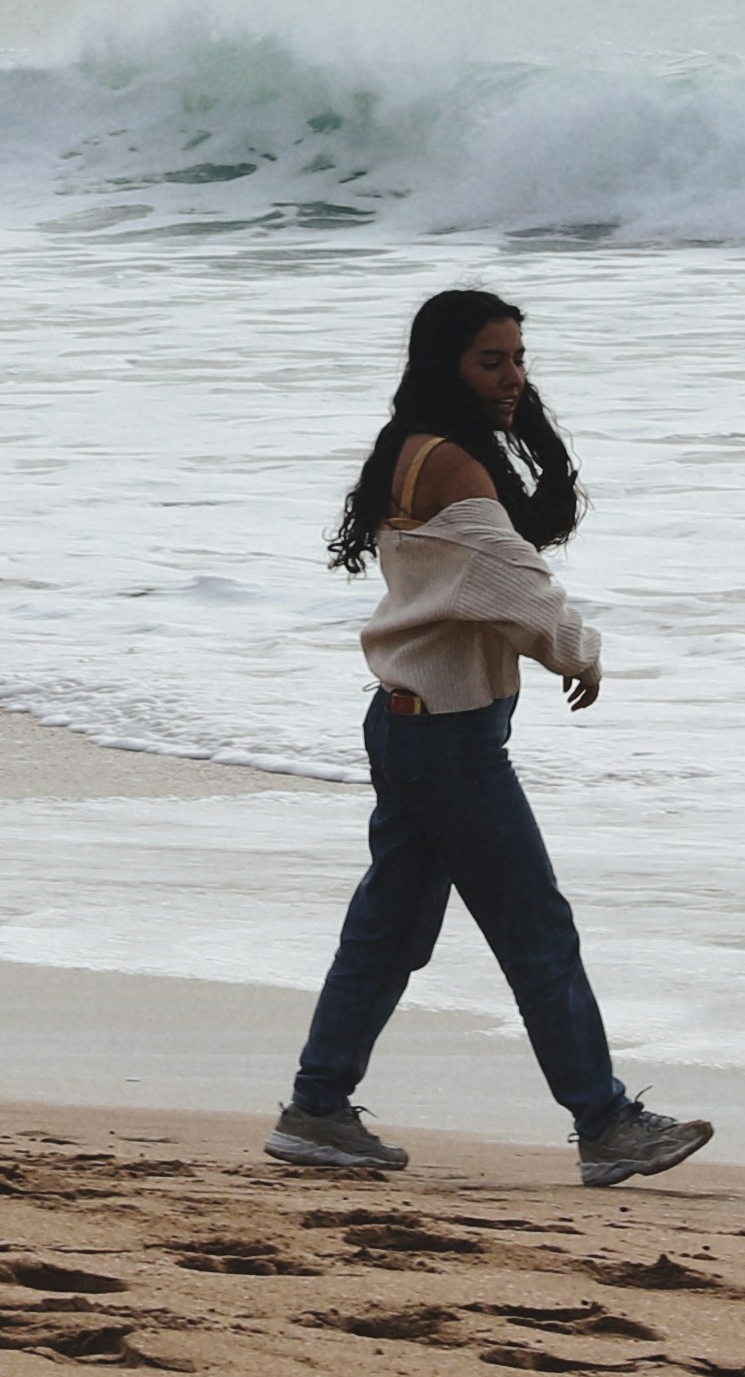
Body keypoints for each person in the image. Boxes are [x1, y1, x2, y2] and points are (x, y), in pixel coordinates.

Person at [269, 285, 712, 1188]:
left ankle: (317, 1110)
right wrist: (579, 653)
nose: (512, 376)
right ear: (447, 366)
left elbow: (492, 580)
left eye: (518, 357)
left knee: (390, 932)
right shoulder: (451, 466)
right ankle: (605, 1122)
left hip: (407, 726)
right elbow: (518, 592)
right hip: (450, 742)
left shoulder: (409, 450)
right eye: (491, 360)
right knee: (535, 928)